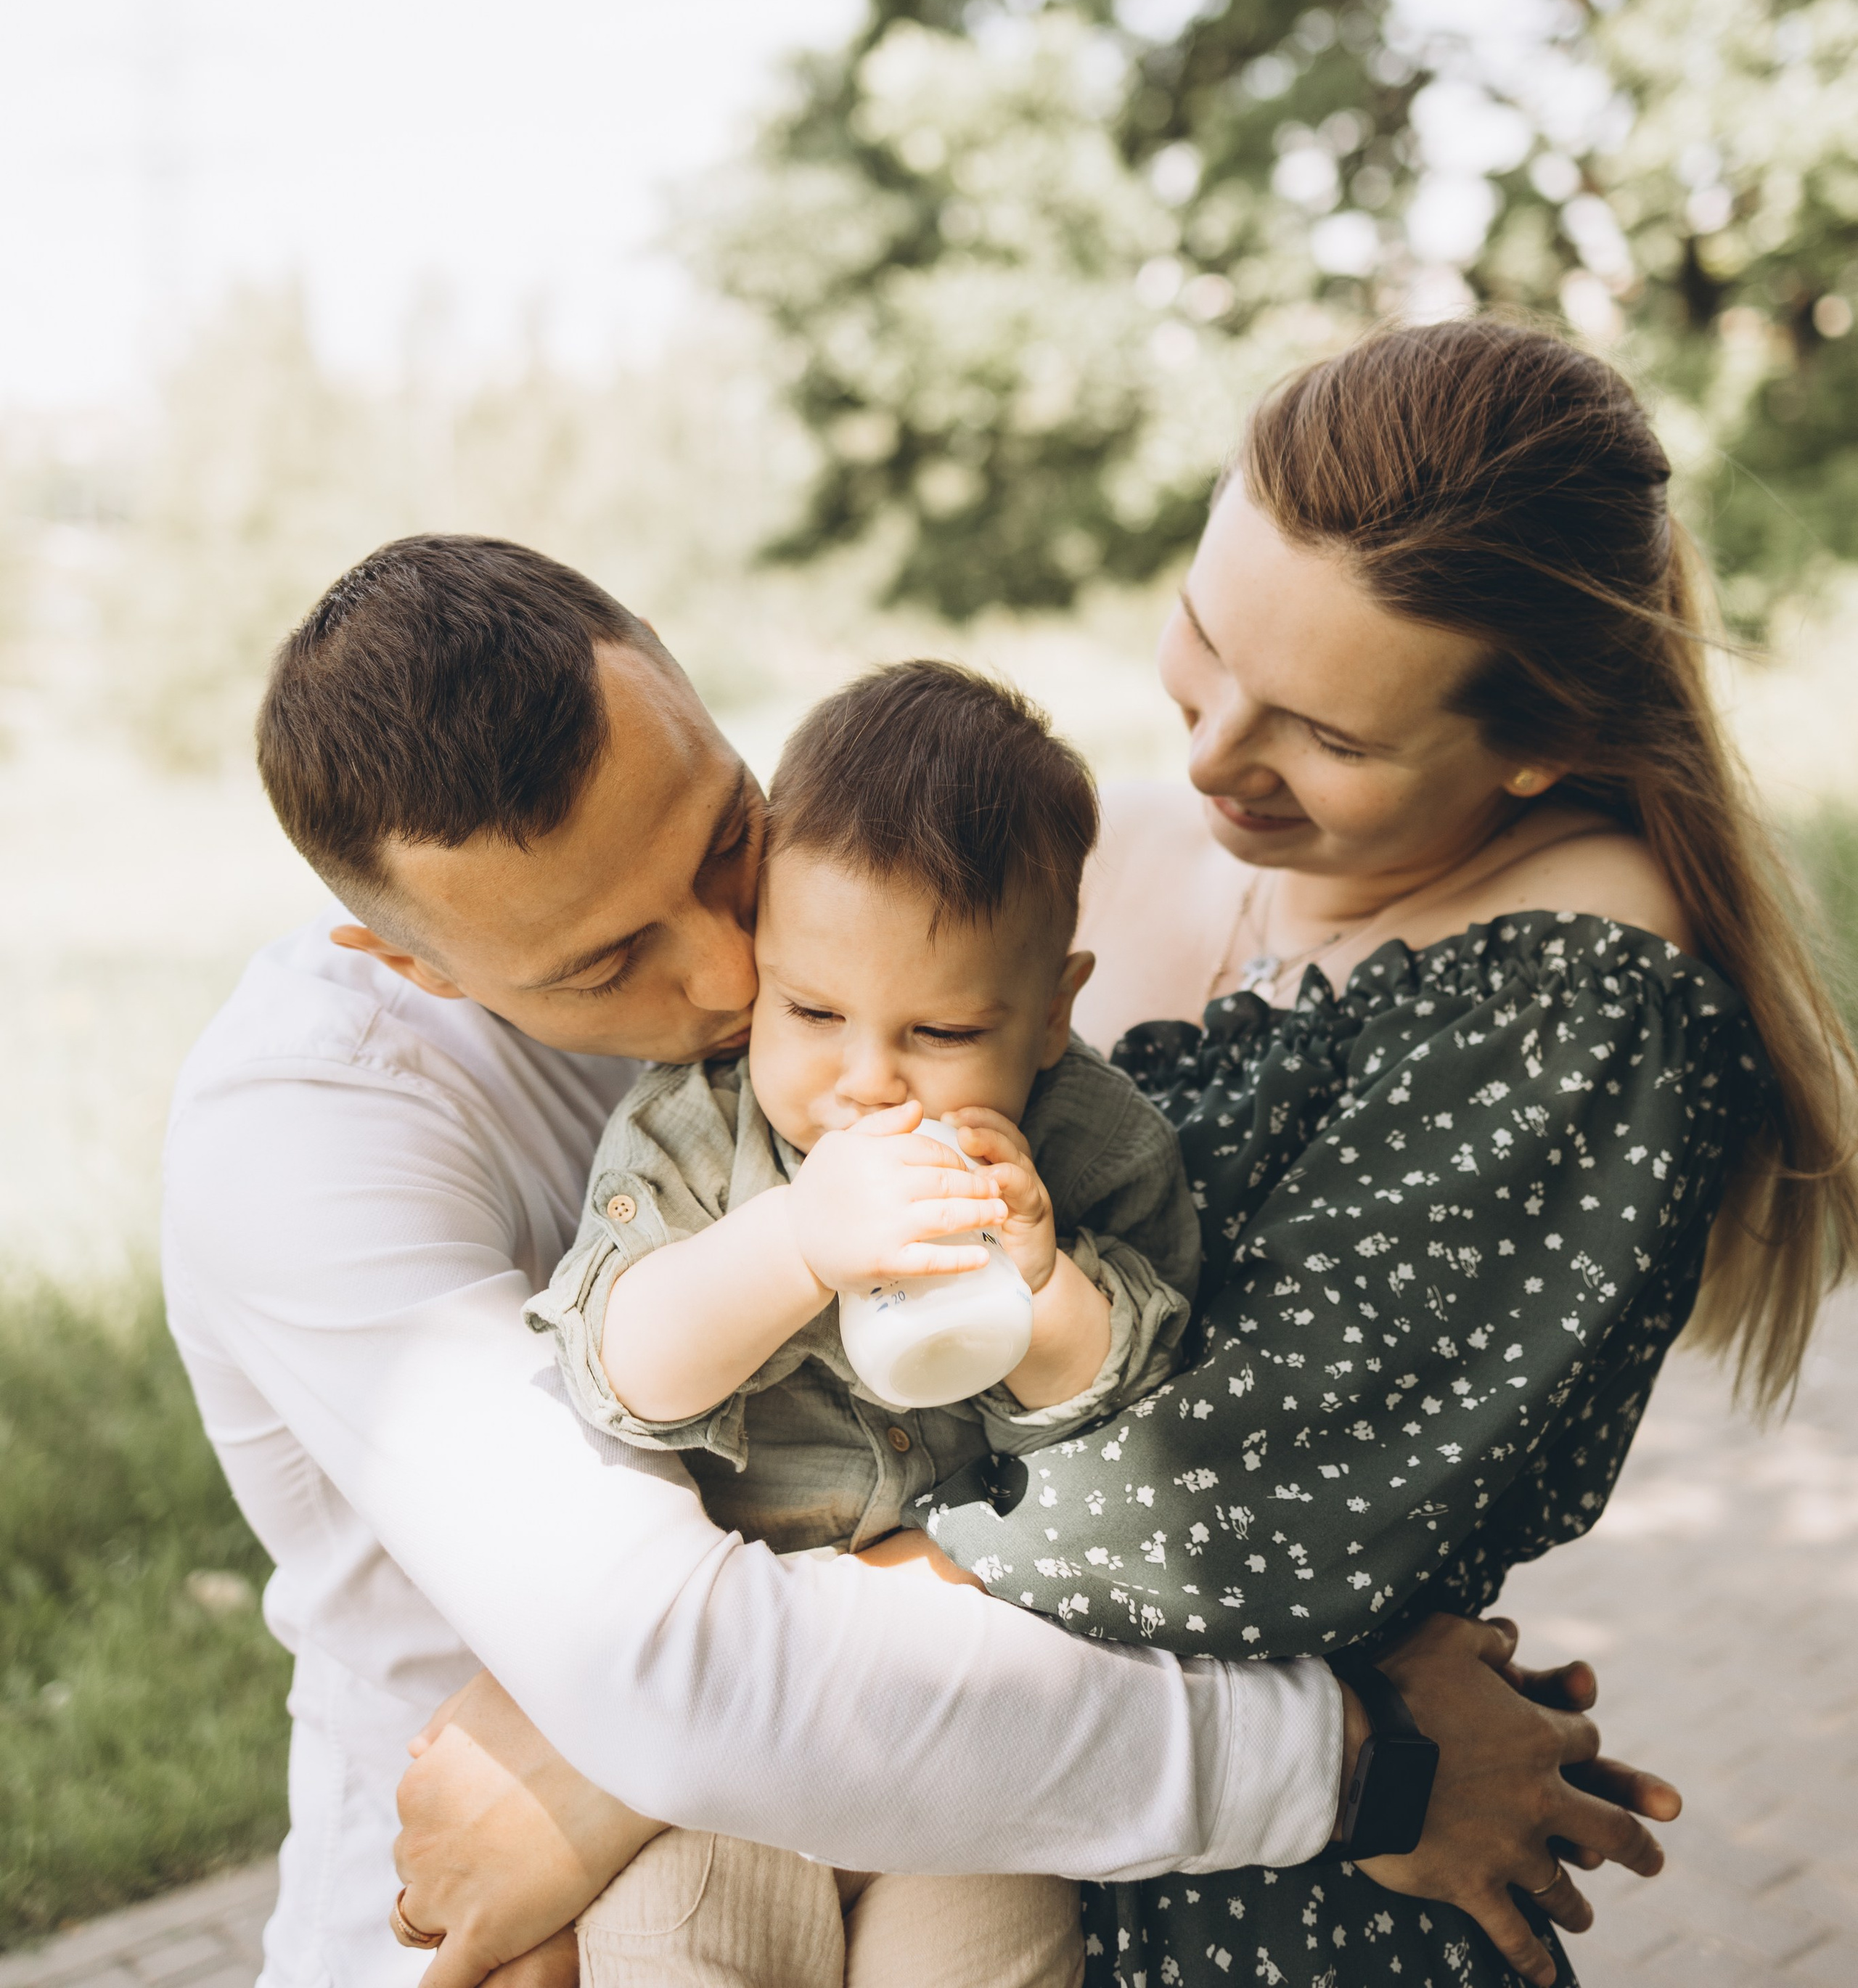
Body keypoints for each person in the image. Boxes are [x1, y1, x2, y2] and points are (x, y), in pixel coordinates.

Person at [161, 533, 1672, 1988]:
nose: (725, 969)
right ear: (410, 962)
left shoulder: (861, 961)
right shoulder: (306, 1137)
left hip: (960, 1813)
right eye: (603, 962)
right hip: (505, 1922)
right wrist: (1352, 1763)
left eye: (724, 843)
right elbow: (678, 1676)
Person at [914, 316, 1858, 1987]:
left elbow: (1205, 1529)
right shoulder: (1101, 848)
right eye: (1201, 641)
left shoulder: (1582, 998)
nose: (1212, 757)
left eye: (1328, 741)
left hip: (1261, 1918)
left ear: (1539, 742)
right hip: (950, 1816)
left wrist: (665, 1668)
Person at [528, 659, 1201, 1987]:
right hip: (733, 1752)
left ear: (1054, 1009)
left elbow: (1140, 1397)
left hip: (972, 1719)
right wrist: (792, 1242)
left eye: (943, 1029)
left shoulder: (1091, 1147)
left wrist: (1046, 1284)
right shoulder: (697, 1132)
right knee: (671, 1955)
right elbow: (622, 1369)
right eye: (813, 1012)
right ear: (764, 966)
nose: (864, 1082)